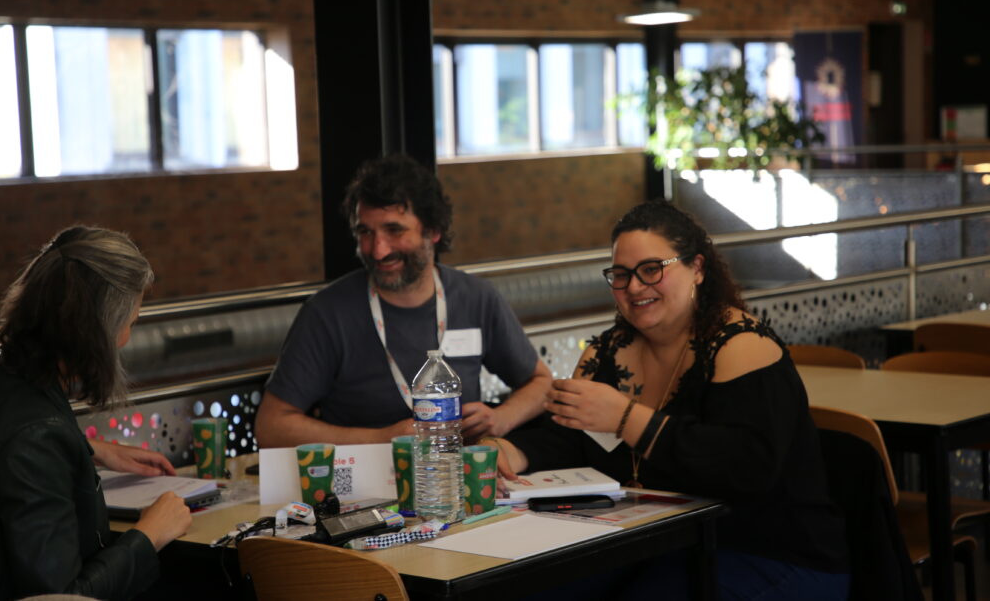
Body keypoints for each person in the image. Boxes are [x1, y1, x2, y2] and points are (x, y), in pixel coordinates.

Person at [490, 200, 849, 600]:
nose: (634, 287)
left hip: (770, 550)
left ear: (697, 268)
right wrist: (510, 452)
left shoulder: (741, 345)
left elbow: (747, 470)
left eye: (651, 269)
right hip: (651, 544)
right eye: (621, 275)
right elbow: (570, 439)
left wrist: (627, 419)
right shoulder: (606, 352)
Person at [256, 154, 552, 447]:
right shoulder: (327, 313)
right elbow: (272, 427)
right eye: (365, 232)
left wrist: (501, 419)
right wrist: (382, 439)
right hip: (365, 474)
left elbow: (541, 383)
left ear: (433, 231)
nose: (379, 250)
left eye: (394, 230)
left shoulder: (476, 298)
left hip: (451, 468)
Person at [0, 227, 192, 601]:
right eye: (130, 323)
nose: (126, 340)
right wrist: (149, 535)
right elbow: (61, 596)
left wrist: (88, 448)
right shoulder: (37, 436)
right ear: (101, 330)